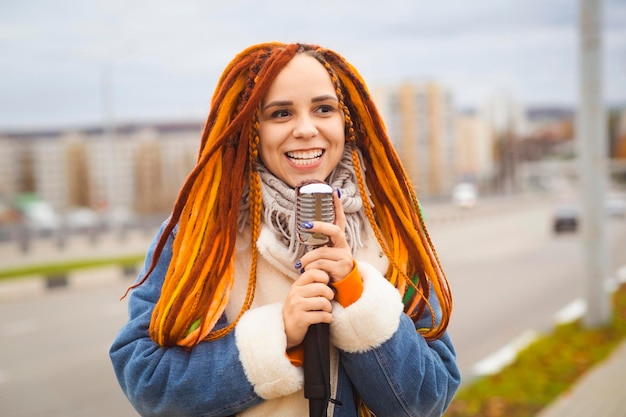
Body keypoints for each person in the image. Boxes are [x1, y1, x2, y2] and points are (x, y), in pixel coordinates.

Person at [109, 42, 460, 417]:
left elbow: (427, 401)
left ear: (346, 120)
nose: (306, 129)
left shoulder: (390, 234)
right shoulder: (199, 237)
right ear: (250, 127)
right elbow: (148, 382)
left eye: (324, 109)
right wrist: (281, 335)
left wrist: (356, 295)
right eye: (280, 113)